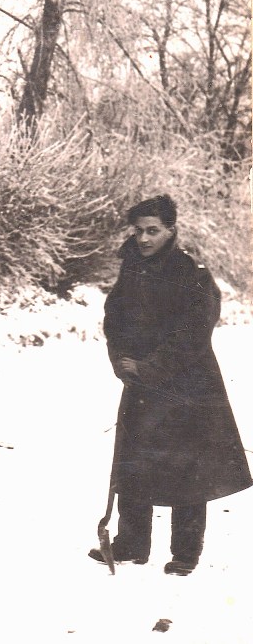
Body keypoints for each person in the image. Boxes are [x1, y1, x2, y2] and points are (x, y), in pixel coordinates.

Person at [88, 194, 251, 575]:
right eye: (138, 231)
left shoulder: (192, 272)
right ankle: (131, 544)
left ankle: (185, 552)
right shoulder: (132, 269)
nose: (143, 239)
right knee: (134, 462)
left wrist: (149, 368)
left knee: (188, 470)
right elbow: (115, 320)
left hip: (188, 386)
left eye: (152, 231)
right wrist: (122, 361)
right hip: (142, 385)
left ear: (171, 231)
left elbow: (194, 333)